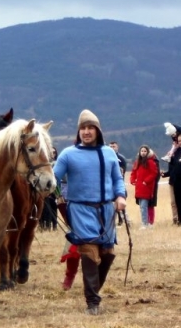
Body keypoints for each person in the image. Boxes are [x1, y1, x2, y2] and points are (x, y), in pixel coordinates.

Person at [53, 110, 126, 315]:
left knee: (107, 254)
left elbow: (117, 179)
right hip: (80, 209)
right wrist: (50, 190)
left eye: (90, 128)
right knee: (89, 252)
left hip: (106, 209)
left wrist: (121, 196)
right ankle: (92, 302)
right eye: (82, 128)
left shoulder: (109, 153)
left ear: (97, 130)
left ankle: (93, 290)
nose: (86, 132)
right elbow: (53, 178)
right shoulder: (68, 154)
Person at [129, 145, 159, 229]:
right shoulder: (137, 162)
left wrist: (146, 181)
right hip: (139, 187)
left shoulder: (150, 162)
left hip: (146, 187)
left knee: (144, 206)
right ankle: (145, 222)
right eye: (142, 151)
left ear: (148, 152)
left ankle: (145, 223)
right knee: (142, 206)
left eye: (145, 151)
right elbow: (133, 172)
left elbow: (154, 173)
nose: (143, 153)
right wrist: (132, 180)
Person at [162, 133, 181, 225]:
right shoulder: (174, 152)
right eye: (179, 141)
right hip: (174, 180)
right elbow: (172, 168)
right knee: (175, 202)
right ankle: (178, 219)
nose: (180, 142)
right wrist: (165, 174)